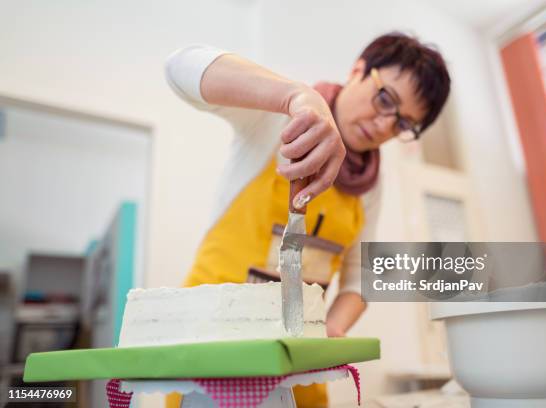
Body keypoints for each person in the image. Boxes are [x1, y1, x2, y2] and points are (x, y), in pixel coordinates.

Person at [164, 32, 451, 407]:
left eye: (402, 124)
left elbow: (357, 280)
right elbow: (180, 66)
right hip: (212, 348)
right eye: (386, 100)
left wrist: (333, 328)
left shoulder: (370, 186)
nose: (385, 125)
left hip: (298, 367)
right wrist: (296, 97)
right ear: (359, 69)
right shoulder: (275, 120)